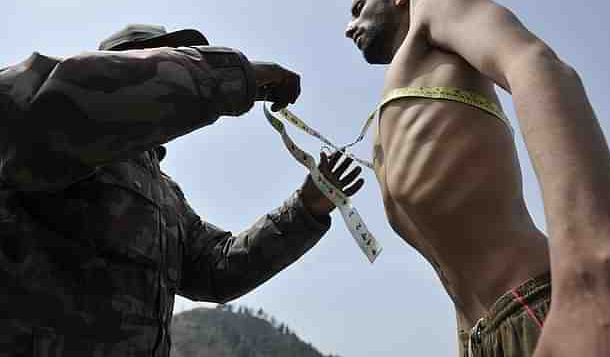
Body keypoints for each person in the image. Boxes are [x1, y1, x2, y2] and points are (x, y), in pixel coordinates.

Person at [0, 24, 364, 356]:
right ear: (120, 66)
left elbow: (216, 269)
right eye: (174, 59)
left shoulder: (165, 195)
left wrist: (307, 208)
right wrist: (228, 77)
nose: (187, 67)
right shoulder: (44, 113)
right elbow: (72, 103)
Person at [345, 0, 610, 356]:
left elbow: (535, 64)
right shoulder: (404, 89)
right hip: (487, 338)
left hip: (540, 306)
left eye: (359, 7)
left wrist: (592, 274)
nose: (350, 27)